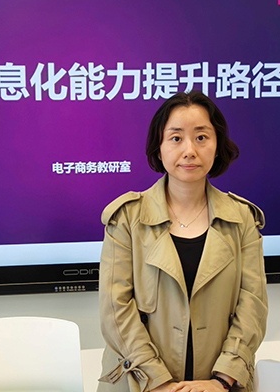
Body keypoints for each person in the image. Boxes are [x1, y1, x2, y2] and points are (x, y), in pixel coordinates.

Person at [97, 91, 267, 392]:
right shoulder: (126, 218)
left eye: (201, 137)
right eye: (176, 138)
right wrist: (157, 381)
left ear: (217, 146)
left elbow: (253, 304)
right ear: (159, 148)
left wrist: (221, 380)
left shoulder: (242, 219)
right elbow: (115, 308)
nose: (189, 150)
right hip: (139, 384)